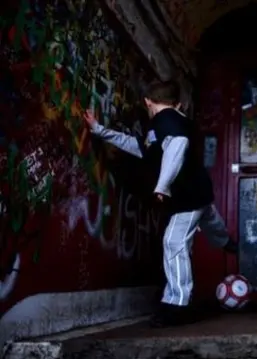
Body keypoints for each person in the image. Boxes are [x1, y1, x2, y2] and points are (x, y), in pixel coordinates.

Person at [83, 80, 237, 327]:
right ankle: (226, 242)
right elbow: (140, 146)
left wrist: (162, 186)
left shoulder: (169, 122)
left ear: (147, 102)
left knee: (173, 242)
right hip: (198, 192)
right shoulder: (159, 125)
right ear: (177, 102)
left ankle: (177, 305)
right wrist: (100, 130)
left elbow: (176, 149)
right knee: (209, 218)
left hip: (186, 196)